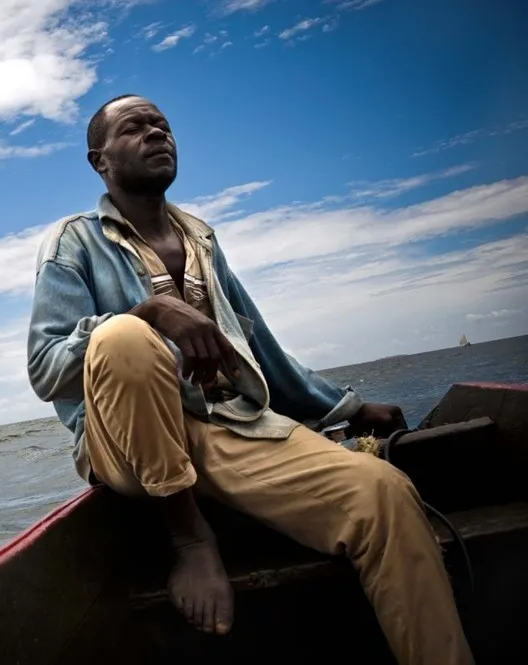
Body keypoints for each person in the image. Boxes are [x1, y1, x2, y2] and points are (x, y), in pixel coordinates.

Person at [25, 94, 473, 665]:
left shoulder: (201, 237)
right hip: (125, 445)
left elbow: (257, 347)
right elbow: (46, 369)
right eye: (135, 128)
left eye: (162, 125)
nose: (156, 134)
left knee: (383, 494)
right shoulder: (73, 241)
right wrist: (146, 312)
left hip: (223, 426)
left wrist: (349, 408)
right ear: (99, 161)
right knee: (123, 338)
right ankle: (190, 537)